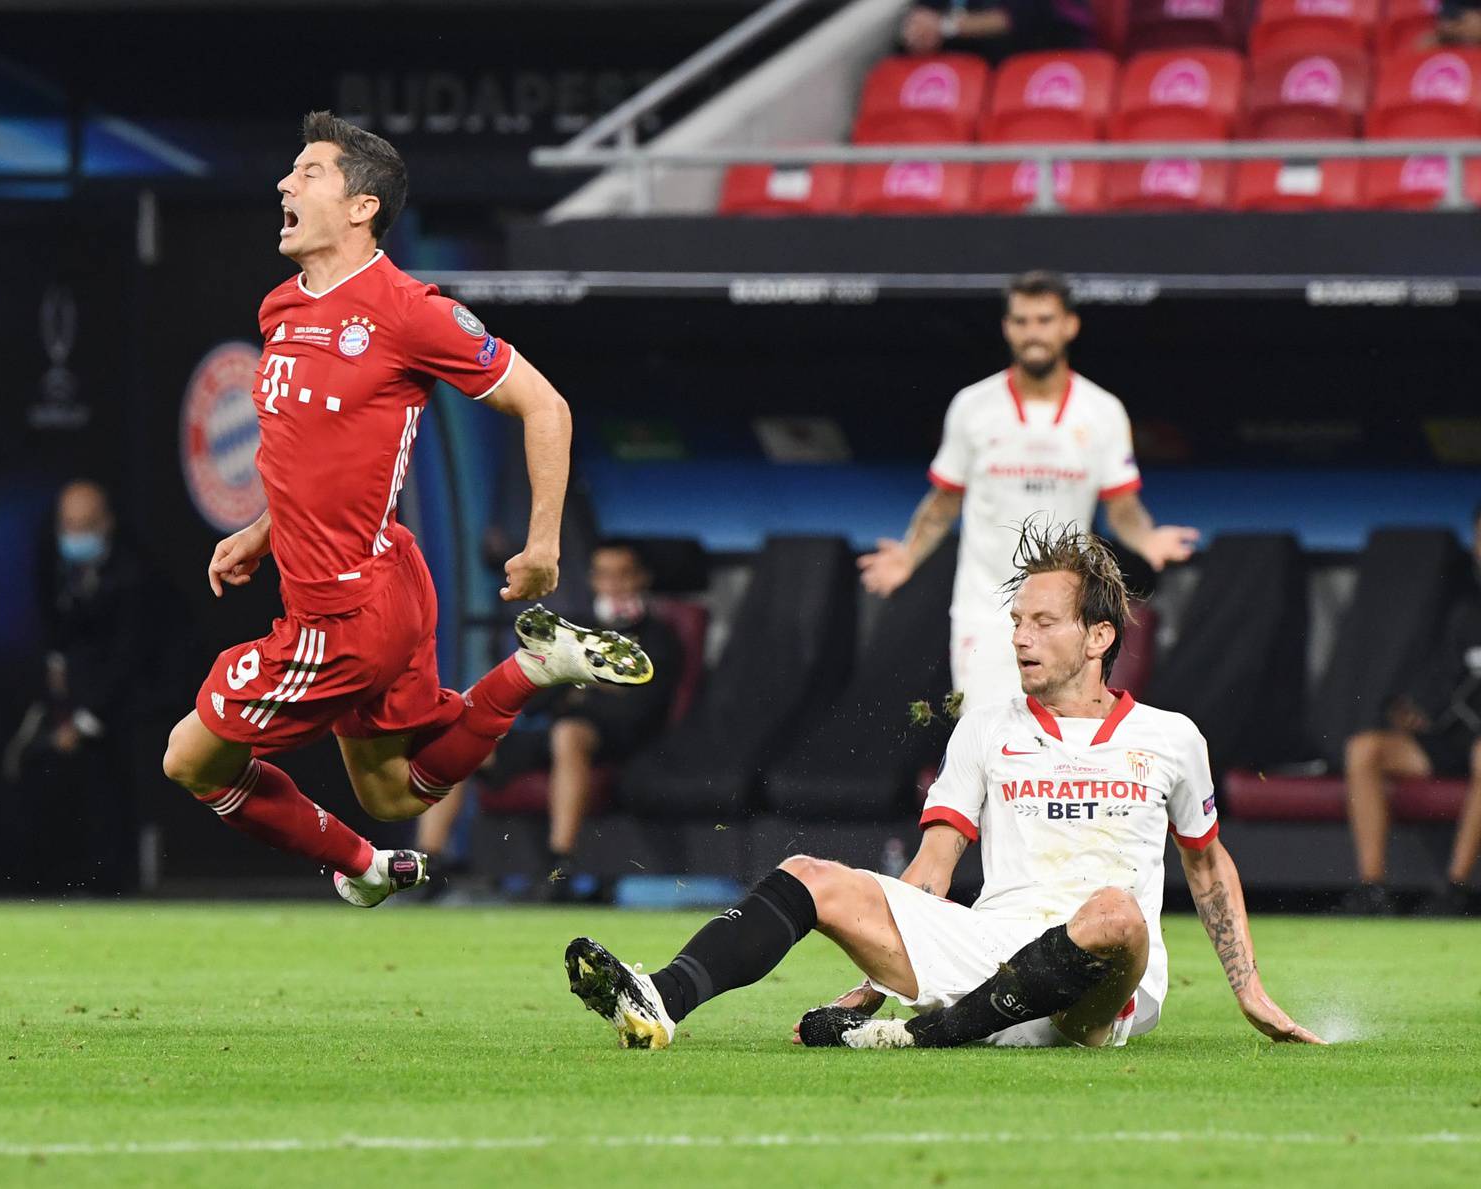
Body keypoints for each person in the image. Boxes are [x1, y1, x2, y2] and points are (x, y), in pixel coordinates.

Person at [566, 521, 1321, 1051]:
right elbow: (933, 867)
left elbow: (1207, 862)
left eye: (1044, 622)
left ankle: (922, 1034)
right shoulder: (987, 726)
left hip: (1103, 981)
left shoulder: (1170, 736)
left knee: (1118, 912)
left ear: (1099, 636)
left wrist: (1249, 990)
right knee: (808, 874)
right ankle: (661, 997)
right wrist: (873, 977)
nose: (1021, 637)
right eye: (1017, 620)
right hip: (988, 948)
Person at [160, 112, 653, 909]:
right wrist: (261, 530)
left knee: (189, 758)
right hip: (375, 577)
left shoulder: (409, 310)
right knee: (395, 795)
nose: (285, 184)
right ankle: (533, 667)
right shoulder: (280, 309)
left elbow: (546, 407)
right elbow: (312, 457)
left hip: (347, 609)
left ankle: (357, 865)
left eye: (309, 172)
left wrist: (543, 545)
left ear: (362, 206)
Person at [859, 271, 1198, 710]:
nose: (1032, 332)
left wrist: (1147, 539)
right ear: (1007, 328)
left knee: (1060, 744)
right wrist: (908, 554)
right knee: (986, 740)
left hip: (1066, 613)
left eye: (1044, 319)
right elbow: (944, 503)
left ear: (1069, 326)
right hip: (984, 612)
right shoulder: (973, 407)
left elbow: (1121, 509)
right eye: (1021, 321)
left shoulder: (1102, 412)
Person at [416, 540, 684, 899]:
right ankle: (426, 864)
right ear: (593, 580)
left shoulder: (659, 637)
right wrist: (589, 687)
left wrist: (577, 687)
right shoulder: (576, 629)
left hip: (618, 742)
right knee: (461, 739)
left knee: (569, 733)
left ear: (641, 579)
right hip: (557, 733)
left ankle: (561, 865)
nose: (614, 584)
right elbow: (536, 700)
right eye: (604, 575)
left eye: (623, 575)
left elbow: (642, 709)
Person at [2, 481, 164, 891]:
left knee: (113, 797)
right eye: (68, 525)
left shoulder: (134, 576)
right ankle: (44, 883)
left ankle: (119, 888)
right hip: (71, 705)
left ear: (106, 523)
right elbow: (57, 634)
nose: (76, 536)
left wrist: (86, 720)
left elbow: (130, 659)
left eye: (85, 525)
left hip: (125, 712)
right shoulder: (52, 566)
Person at [1340, 505, 1481, 917]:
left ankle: (1457, 888)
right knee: (1365, 748)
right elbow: (1441, 676)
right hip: (1453, 738)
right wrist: (1418, 708)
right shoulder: (1463, 609)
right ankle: (1373, 888)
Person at [900, 0, 1094, 62]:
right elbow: (923, 17)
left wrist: (943, 27)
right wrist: (919, 34)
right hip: (962, 78)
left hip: (1041, 63)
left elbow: (1016, 17)